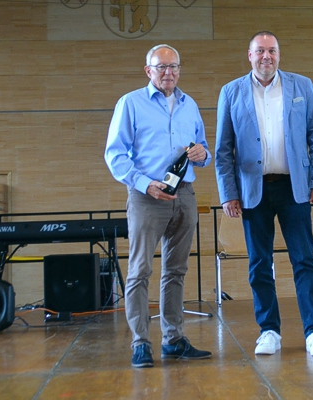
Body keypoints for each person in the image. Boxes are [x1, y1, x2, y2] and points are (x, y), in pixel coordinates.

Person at [215, 31, 313, 357]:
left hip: (295, 188)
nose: (266, 56)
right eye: (260, 51)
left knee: (304, 260)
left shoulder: (302, 86)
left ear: (279, 55)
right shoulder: (231, 91)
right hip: (253, 190)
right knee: (259, 263)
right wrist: (228, 193)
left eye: (272, 51)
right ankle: (269, 330)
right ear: (249, 55)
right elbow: (223, 149)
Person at [105, 43, 213, 368]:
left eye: (173, 66)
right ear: (148, 70)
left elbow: (203, 149)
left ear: (180, 69)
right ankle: (140, 343)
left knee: (176, 271)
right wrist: (144, 184)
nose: (168, 72)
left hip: (184, 195)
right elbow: (115, 154)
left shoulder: (189, 105)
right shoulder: (130, 103)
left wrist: (202, 154)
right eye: (161, 67)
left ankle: (173, 339)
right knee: (140, 271)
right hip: (146, 197)